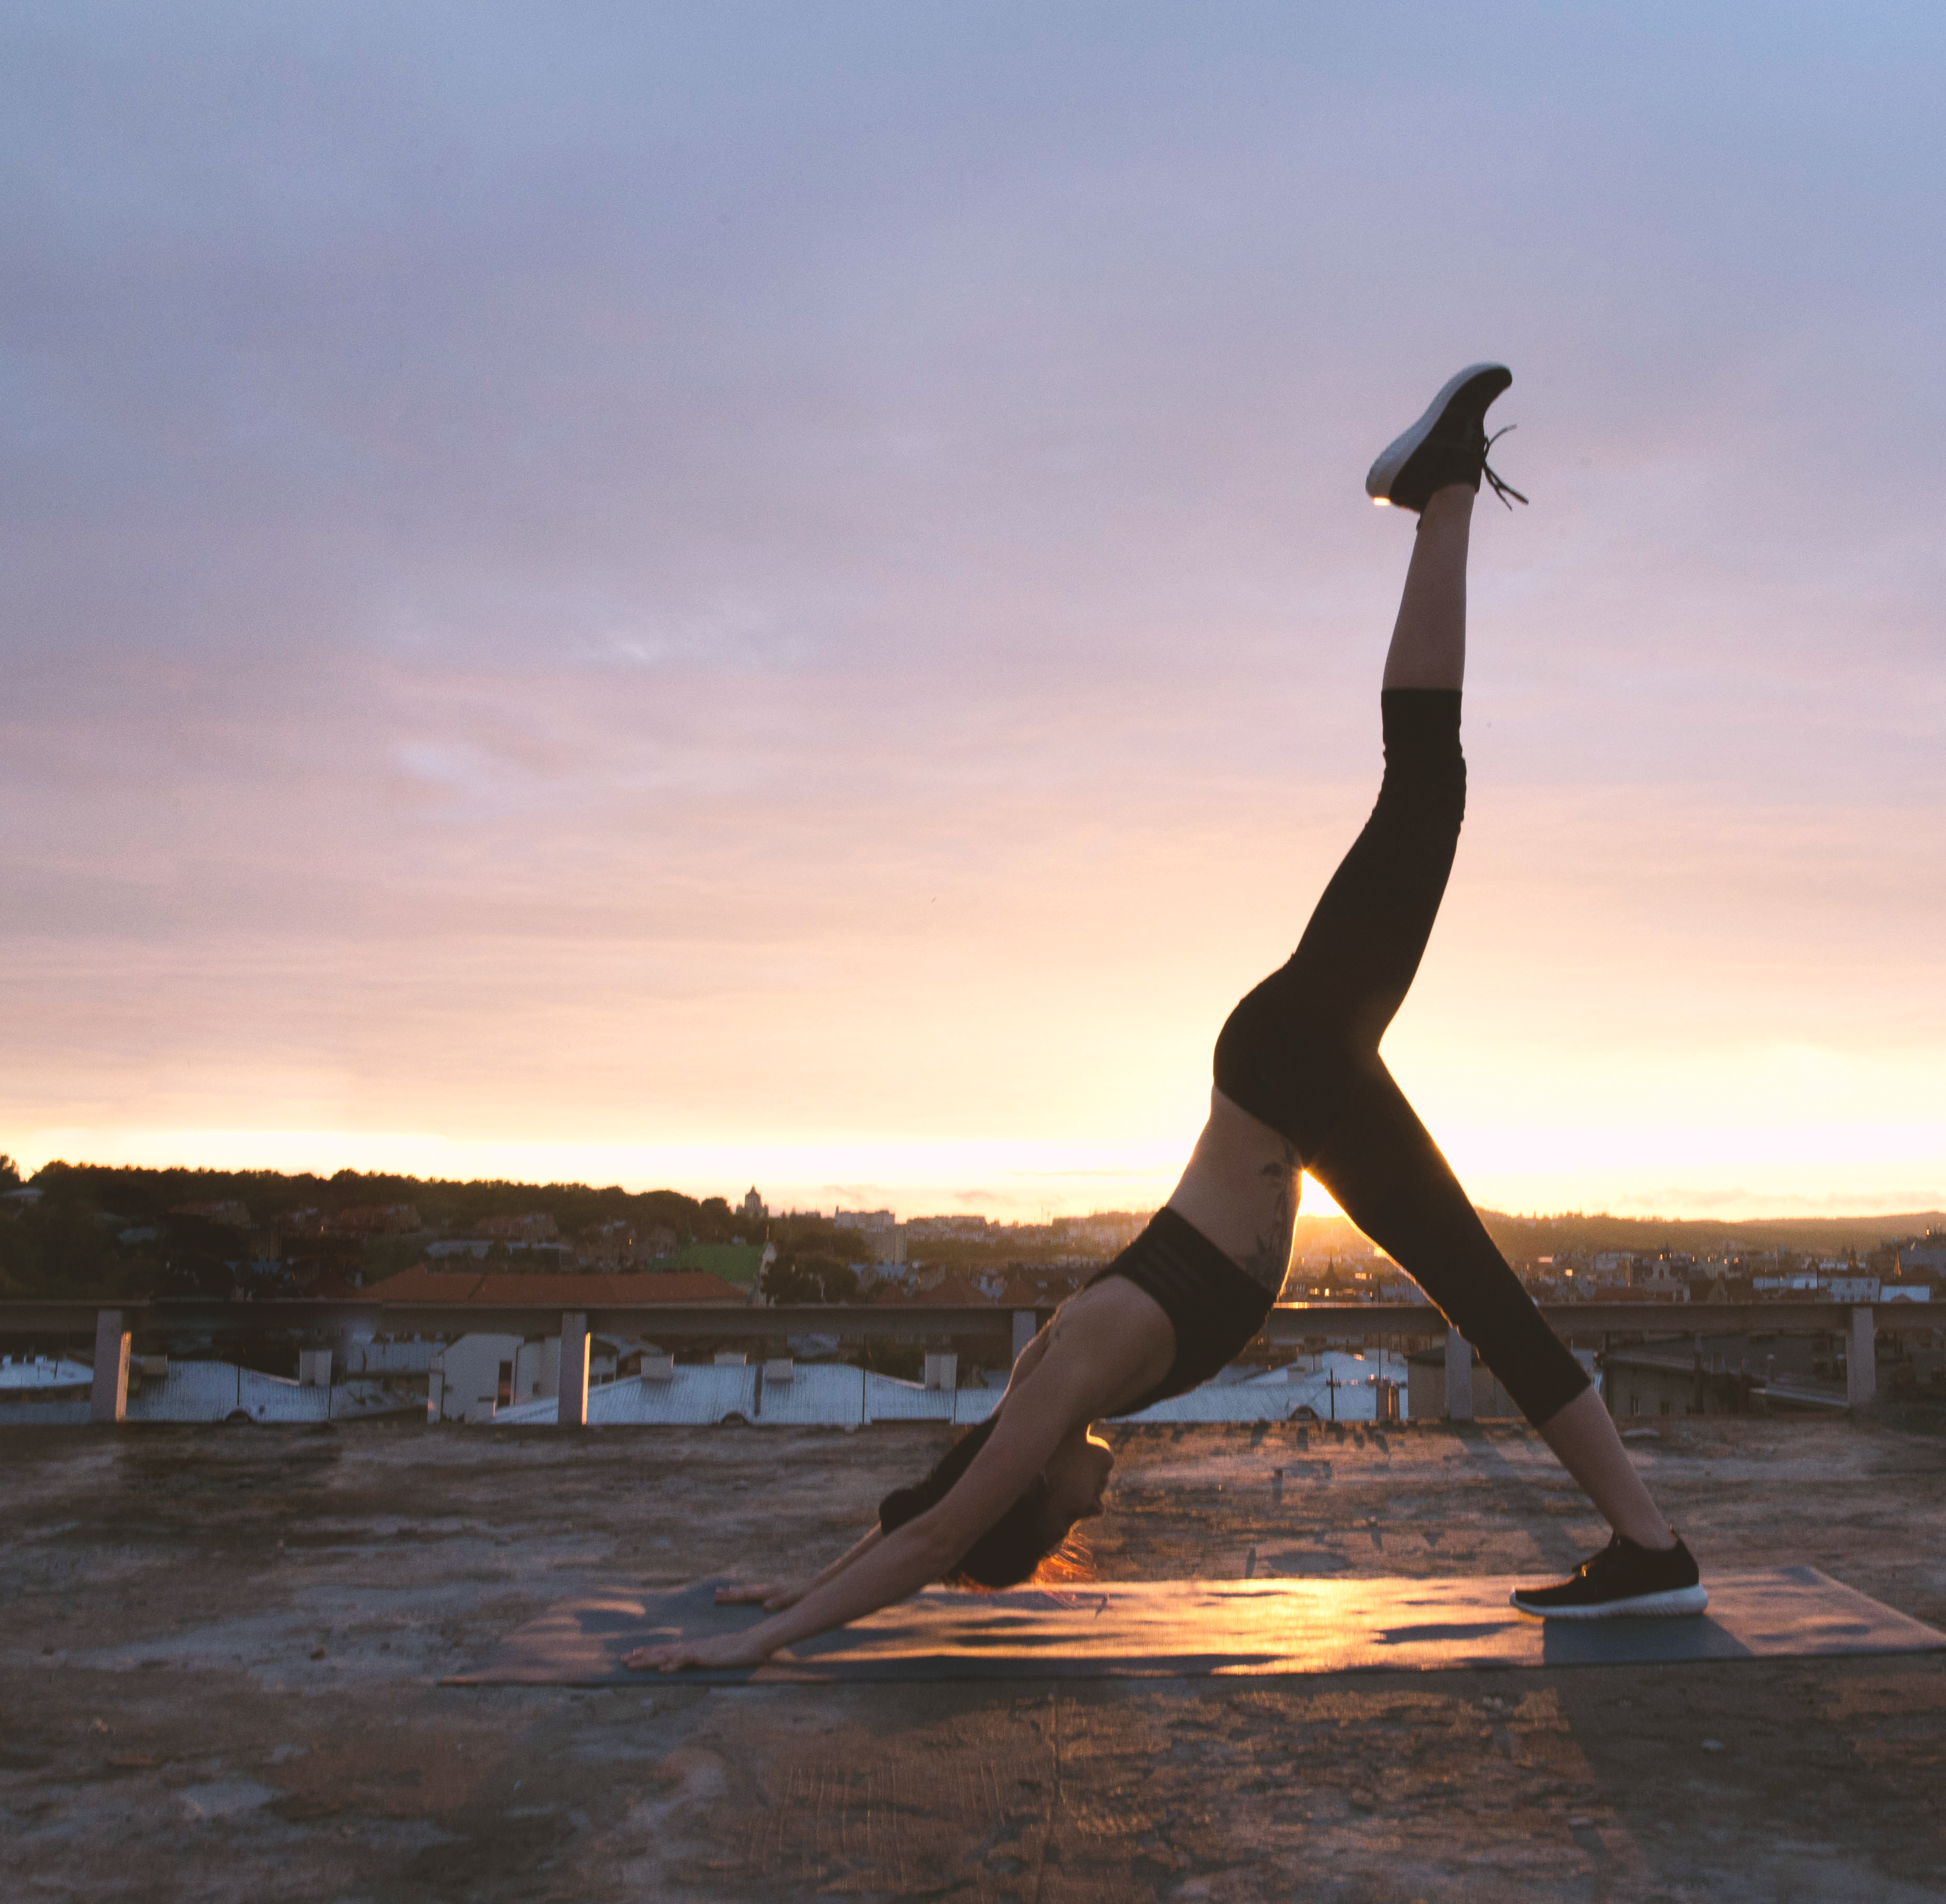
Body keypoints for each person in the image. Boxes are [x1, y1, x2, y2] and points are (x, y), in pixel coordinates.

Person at [626, 365, 1700, 1674]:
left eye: (1065, 1526)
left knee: (1426, 794)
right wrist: (793, 1584)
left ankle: (1447, 491)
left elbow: (936, 1538)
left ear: (1034, 1496)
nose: (1098, 1511)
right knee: (1478, 1281)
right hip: (1289, 1092)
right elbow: (933, 1504)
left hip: (1289, 1072)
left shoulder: (1069, 1389)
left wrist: (771, 1641)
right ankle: (1647, 1549)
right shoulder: (1061, 1395)